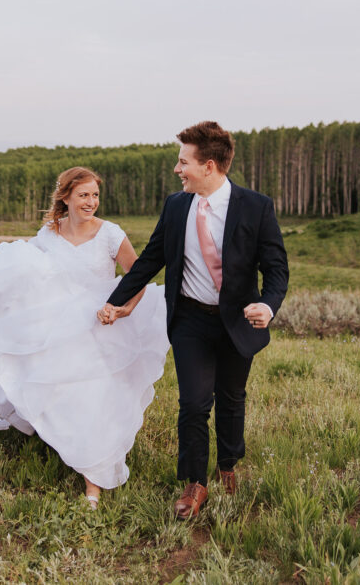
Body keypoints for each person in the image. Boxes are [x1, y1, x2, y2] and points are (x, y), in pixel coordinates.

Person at [99, 121, 289, 519]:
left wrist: (268, 306)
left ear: (210, 166)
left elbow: (276, 270)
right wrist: (115, 302)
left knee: (232, 399)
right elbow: (152, 258)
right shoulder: (176, 205)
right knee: (193, 403)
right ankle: (194, 482)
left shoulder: (256, 207)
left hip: (238, 322)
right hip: (190, 320)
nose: (177, 169)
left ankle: (228, 467)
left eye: (183, 161)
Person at [0, 167, 168, 509]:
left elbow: (137, 276)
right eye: (83, 195)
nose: (91, 202)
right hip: (58, 330)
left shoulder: (111, 234)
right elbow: (29, 273)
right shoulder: (49, 233)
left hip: (100, 331)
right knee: (59, 395)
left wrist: (123, 309)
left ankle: (93, 485)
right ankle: (59, 441)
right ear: (65, 197)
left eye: (95, 195)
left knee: (95, 401)